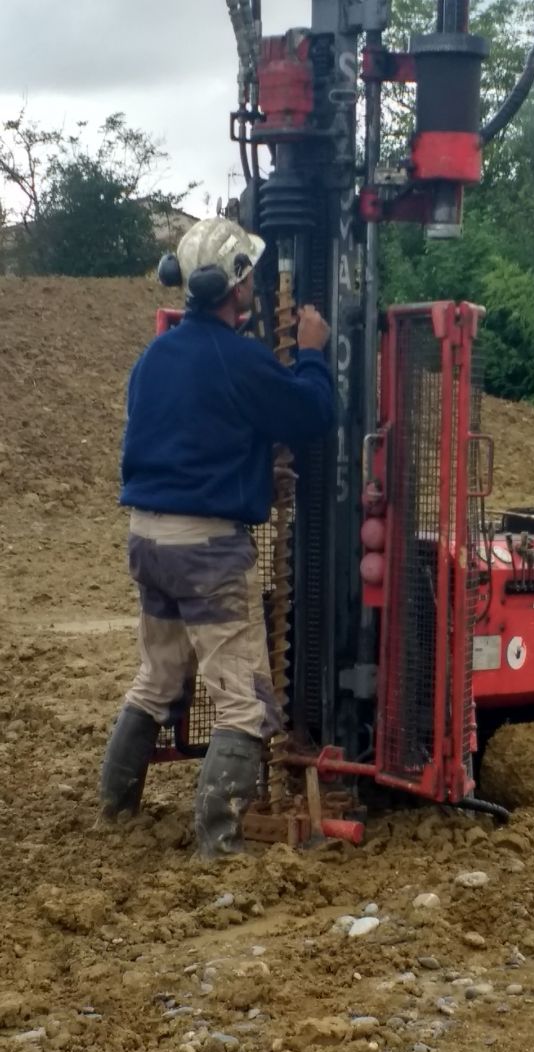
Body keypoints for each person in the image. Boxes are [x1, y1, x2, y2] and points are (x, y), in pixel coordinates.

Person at [99, 217, 334, 859]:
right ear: (236, 288)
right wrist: (311, 350)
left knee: (158, 679)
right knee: (244, 702)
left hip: (147, 539)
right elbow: (312, 413)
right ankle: (221, 843)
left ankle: (114, 810)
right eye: (250, 274)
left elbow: (195, 437)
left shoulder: (157, 355)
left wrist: (256, 465)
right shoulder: (239, 358)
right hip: (207, 550)